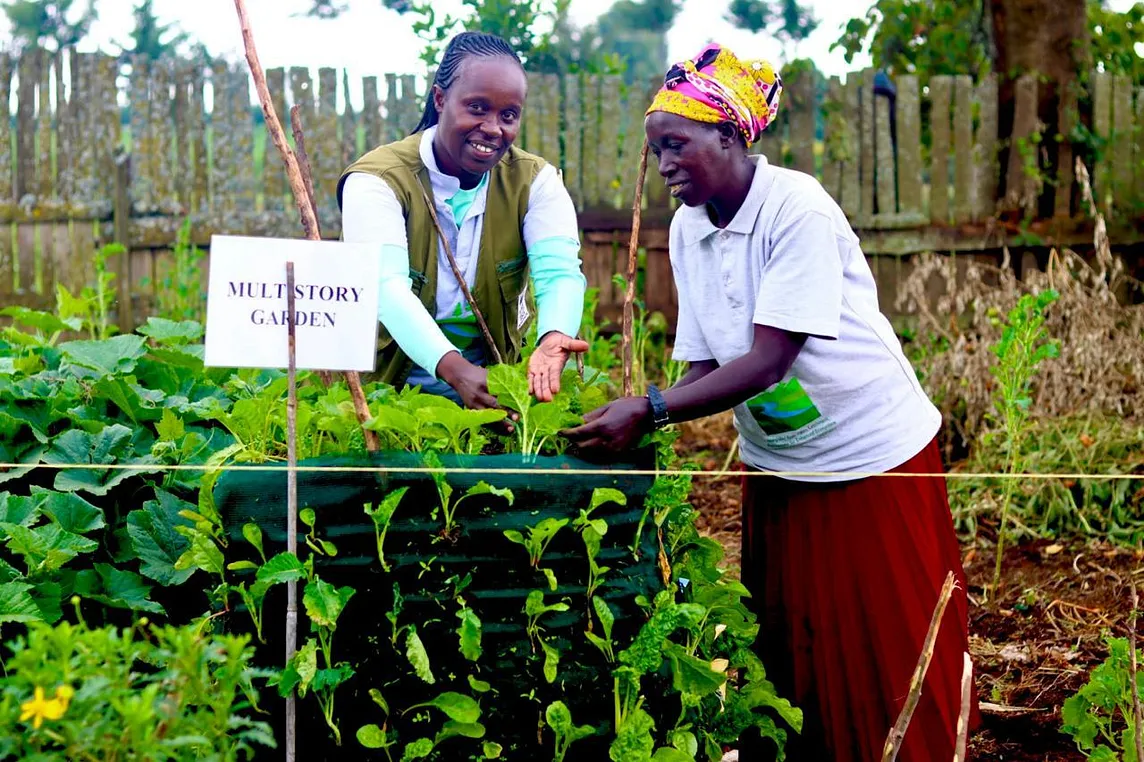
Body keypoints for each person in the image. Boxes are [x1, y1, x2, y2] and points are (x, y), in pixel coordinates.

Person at [565, 43, 979, 761]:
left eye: (676, 145)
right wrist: (644, 415)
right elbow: (700, 357)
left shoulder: (798, 208)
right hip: (781, 459)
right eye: (656, 149)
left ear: (728, 135)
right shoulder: (690, 227)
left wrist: (653, 410)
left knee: (878, 631)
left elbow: (767, 360)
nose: (662, 164)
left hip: (870, 451)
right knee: (798, 635)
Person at [336, 31, 588, 408]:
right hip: (386, 392)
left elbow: (560, 273)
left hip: (492, 383)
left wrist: (553, 338)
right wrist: (457, 371)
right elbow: (385, 288)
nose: (492, 128)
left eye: (508, 115)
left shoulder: (535, 182)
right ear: (441, 99)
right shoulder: (377, 180)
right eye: (476, 108)